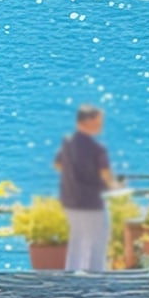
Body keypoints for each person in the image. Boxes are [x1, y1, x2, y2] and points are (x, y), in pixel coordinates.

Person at [54, 105, 119, 274]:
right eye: (98, 122)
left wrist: (73, 175)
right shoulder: (97, 149)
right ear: (88, 121)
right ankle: (94, 279)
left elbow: (58, 164)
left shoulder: (67, 143)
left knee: (76, 240)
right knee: (97, 242)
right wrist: (116, 187)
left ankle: (72, 277)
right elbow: (106, 175)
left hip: (70, 199)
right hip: (90, 202)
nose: (100, 125)